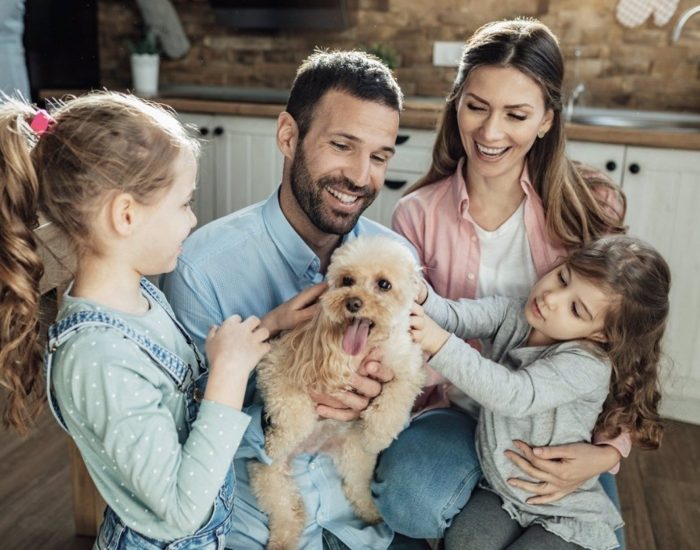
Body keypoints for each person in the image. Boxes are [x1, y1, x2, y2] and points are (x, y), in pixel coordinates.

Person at [378, 18, 630, 545]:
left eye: (516, 114)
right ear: (457, 104)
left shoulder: (590, 207)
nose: (490, 134)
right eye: (476, 107)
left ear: (545, 120)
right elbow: (406, 333)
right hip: (456, 413)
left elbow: (628, 342)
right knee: (410, 499)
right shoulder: (417, 214)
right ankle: (476, 498)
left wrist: (609, 451)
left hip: (555, 426)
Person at [162, 50, 425, 549]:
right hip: (255, 530)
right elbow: (179, 429)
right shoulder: (203, 267)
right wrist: (277, 418)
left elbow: (409, 389)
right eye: (342, 145)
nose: (360, 175)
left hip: (365, 525)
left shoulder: (397, 262)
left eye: (380, 156)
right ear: (288, 136)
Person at [0, 91, 274, 548]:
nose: (193, 220)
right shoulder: (96, 356)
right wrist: (228, 374)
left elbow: (180, 405)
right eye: (184, 203)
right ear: (126, 214)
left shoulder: (139, 294)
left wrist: (271, 326)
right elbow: (182, 509)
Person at [410, 235, 669, 550]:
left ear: (601, 334)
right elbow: (457, 317)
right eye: (562, 278)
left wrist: (438, 343)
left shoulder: (586, 364)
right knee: (465, 541)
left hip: (562, 505)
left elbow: (514, 395)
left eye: (576, 308)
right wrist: (422, 297)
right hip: (503, 490)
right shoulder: (513, 313)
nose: (551, 298)